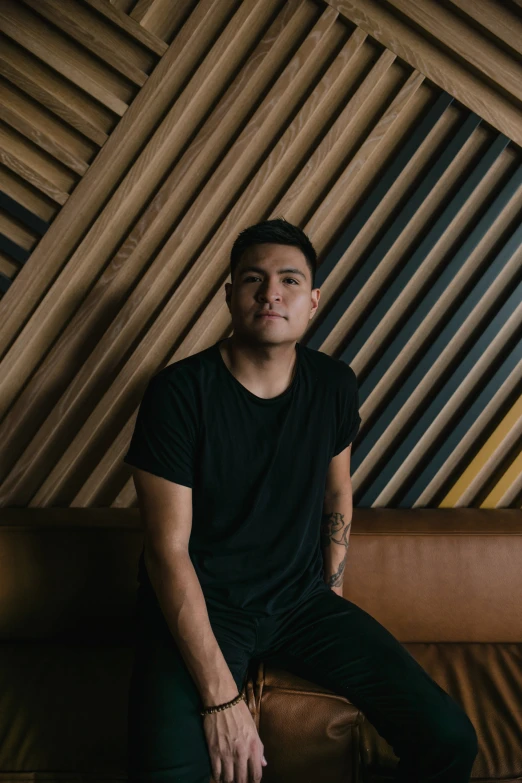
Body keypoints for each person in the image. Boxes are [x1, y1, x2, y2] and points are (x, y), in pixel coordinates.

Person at [123, 218, 479, 783]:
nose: (271, 292)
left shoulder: (333, 383)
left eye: (289, 280)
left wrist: (331, 593)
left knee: (450, 741)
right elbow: (167, 552)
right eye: (253, 279)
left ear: (312, 301)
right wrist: (221, 702)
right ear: (229, 294)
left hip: (301, 604)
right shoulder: (179, 393)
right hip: (208, 606)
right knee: (169, 774)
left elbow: (337, 489)